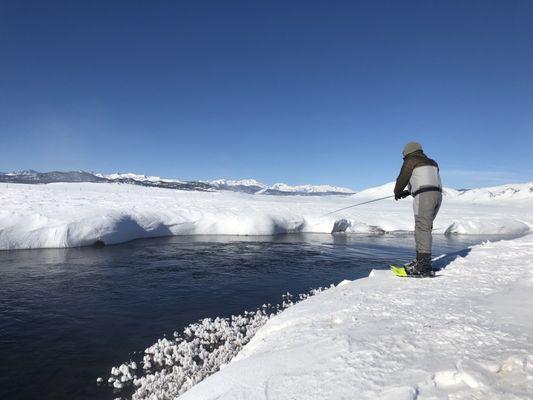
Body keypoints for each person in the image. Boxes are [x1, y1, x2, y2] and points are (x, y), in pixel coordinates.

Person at [394, 142, 442, 277]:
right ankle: (421, 260)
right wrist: (409, 191)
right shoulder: (432, 162)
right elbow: (424, 180)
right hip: (437, 195)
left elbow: (402, 178)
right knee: (426, 227)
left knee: (422, 228)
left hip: (424, 197)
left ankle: (424, 266)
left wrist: (397, 192)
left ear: (408, 152)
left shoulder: (411, 160)